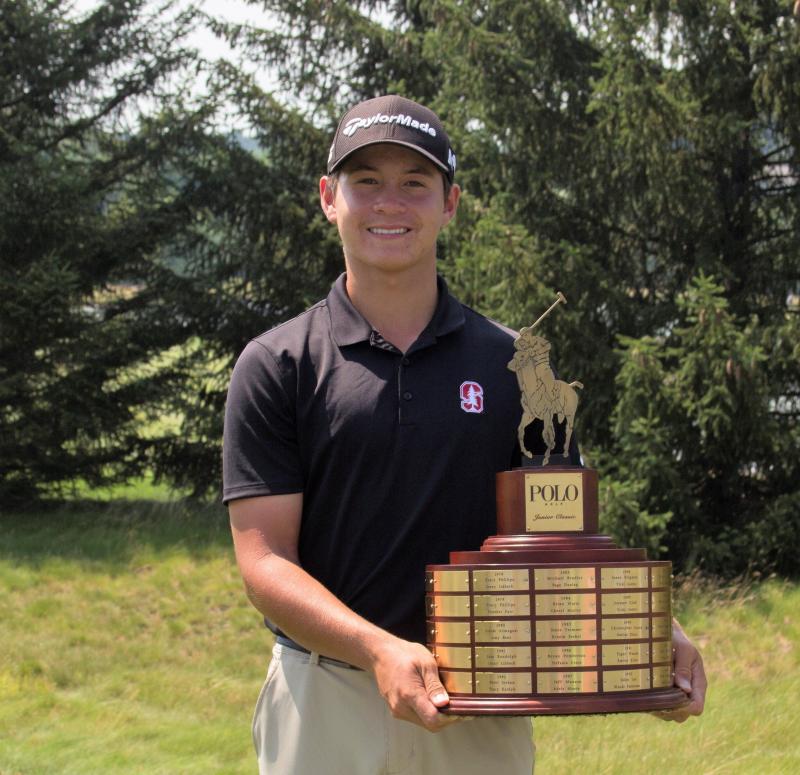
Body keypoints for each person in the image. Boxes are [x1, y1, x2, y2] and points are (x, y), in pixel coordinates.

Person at [222, 95, 706, 775]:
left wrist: (653, 636)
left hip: (481, 698)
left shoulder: (513, 364)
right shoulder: (277, 364)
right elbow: (266, 560)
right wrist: (376, 648)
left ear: (450, 203)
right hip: (325, 698)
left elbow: (559, 537)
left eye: (415, 184)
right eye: (367, 182)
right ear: (330, 197)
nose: (390, 203)